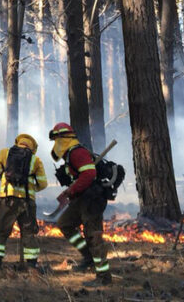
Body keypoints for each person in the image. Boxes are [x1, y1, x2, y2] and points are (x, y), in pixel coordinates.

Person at [49, 122, 111, 286]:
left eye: (57, 139)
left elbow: (89, 174)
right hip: (82, 198)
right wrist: (71, 190)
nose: (55, 144)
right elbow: (80, 177)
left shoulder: (77, 152)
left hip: (92, 199)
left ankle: (103, 276)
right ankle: (88, 257)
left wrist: (71, 190)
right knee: (65, 223)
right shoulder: (70, 154)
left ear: (63, 138)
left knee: (94, 237)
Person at [0, 134, 47, 271]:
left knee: (1, 231)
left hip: (7, 200)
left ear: (18, 142)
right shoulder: (36, 160)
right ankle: (32, 265)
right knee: (29, 233)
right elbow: (43, 183)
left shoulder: (4, 153)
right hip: (27, 202)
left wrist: (7, 182)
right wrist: (32, 188)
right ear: (33, 147)